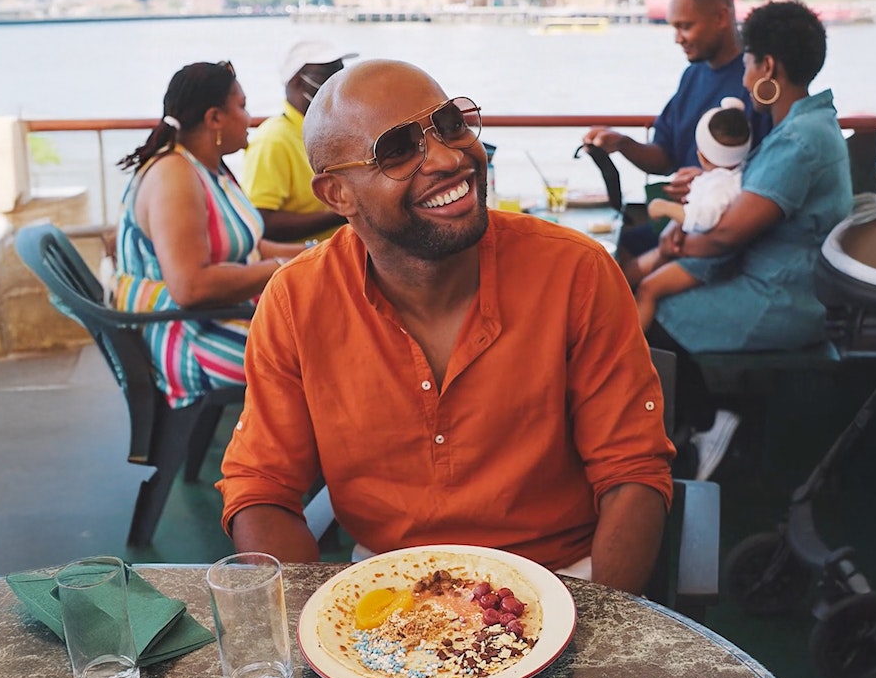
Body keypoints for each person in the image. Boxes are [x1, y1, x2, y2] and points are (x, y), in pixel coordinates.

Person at [217, 59, 676, 595]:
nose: (448, 157)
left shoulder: (575, 271)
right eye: (397, 149)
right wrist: (316, 627)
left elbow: (632, 472)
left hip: (563, 584)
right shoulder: (298, 301)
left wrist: (605, 627)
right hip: (391, 594)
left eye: (451, 125)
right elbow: (261, 485)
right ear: (338, 195)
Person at [631, 0, 854, 482]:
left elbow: (730, 231)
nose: (746, 76)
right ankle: (704, 417)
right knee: (651, 302)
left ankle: (699, 426)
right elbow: (751, 195)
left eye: (749, 63)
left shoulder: (799, 140)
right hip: (778, 282)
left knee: (651, 314)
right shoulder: (799, 127)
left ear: (767, 65)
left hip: (783, 299)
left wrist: (675, 245)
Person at [113, 61, 308, 409]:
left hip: (219, 316)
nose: (249, 117)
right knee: (334, 351)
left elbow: (251, 246)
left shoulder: (210, 166)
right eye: (242, 106)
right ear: (214, 118)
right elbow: (191, 287)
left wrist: (315, 253)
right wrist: (283, 268)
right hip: (188, 337)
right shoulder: (174, 174)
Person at [582, 0, 770, 267]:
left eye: (685, 26)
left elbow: (768, 174)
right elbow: (664, 157)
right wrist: (622, 143)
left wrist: (710, 178)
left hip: (718, 230)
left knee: (611, 267)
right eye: (674, 27)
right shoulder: (692, 76)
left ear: (721, 18)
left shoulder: (756, 83)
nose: (677, 39)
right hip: (679, 219)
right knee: (594, 254)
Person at [636, 96, 751, 331]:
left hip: (708, 261)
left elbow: (704, 217)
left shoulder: (721, 186)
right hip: (699, 251)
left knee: (647, 289)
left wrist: (665, 207)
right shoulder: (727, 177)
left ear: (701, 154)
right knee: (639, 270)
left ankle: (627, 357)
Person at [239, 40, 357, 243]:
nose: (337, 83)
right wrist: (342, 212)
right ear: (297, 82)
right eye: (327, 75)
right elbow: (262, 222)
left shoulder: (332, 130)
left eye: (341, 74)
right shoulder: (273, 140)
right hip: (305, 262)